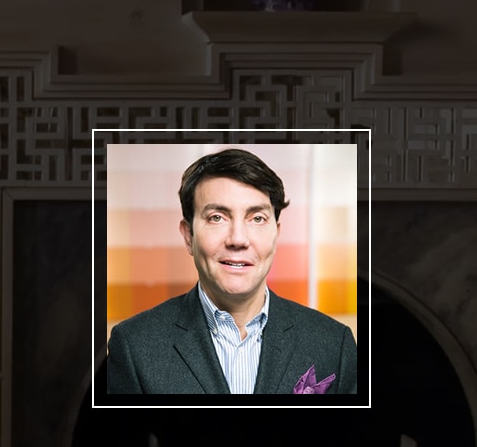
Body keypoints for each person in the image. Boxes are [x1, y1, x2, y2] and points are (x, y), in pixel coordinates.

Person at [105, 148, 357, 395]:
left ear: (276, 235)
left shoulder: (334, 344)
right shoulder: (134, 346)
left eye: (257, 218)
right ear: (188, 235)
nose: (238, 239)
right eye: (217, 217)